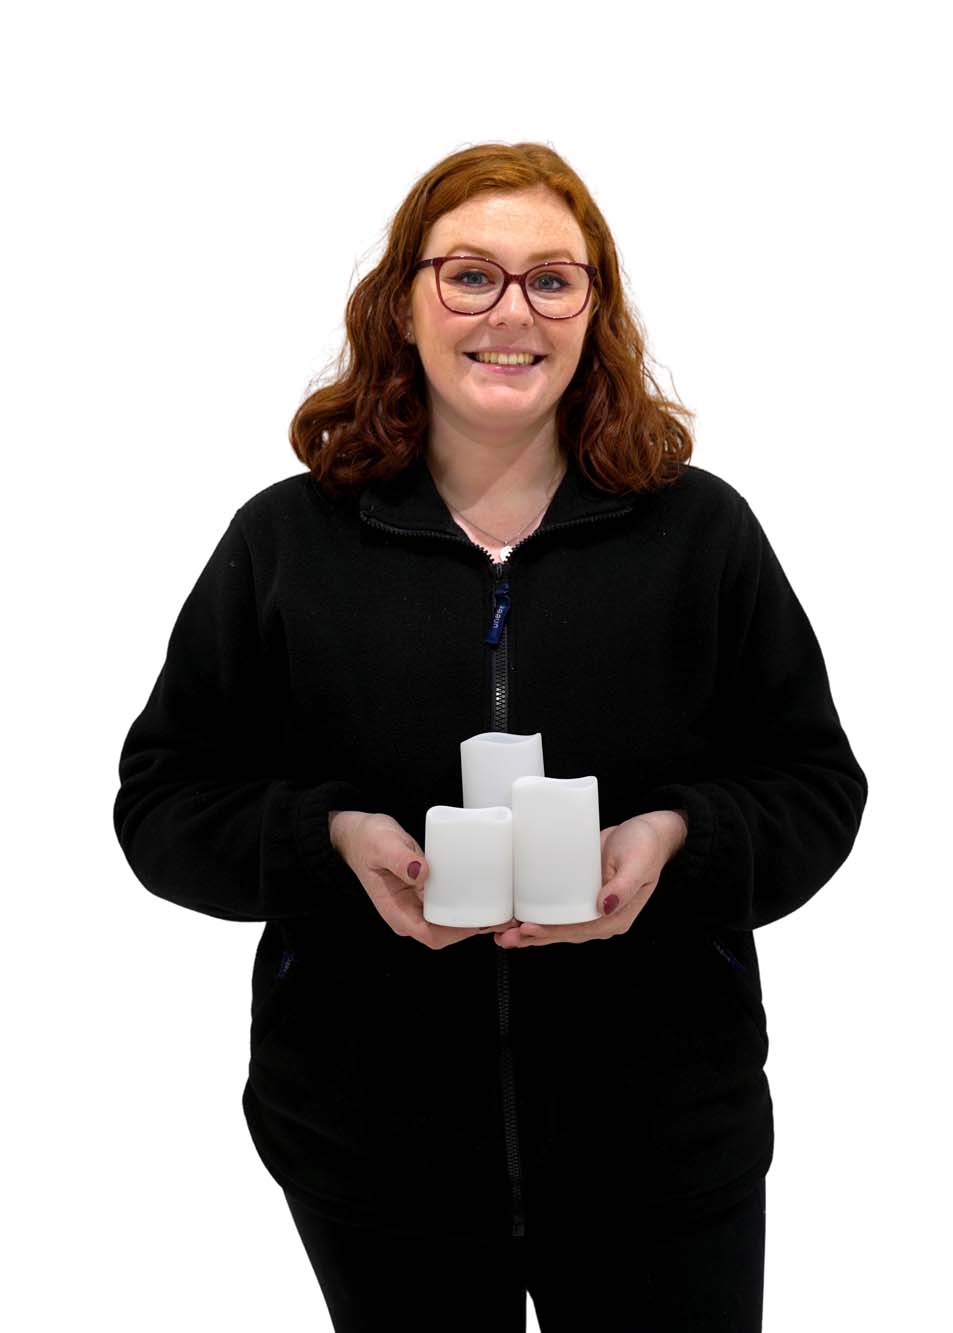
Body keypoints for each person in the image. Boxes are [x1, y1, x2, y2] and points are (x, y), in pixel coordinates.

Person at [113, 141, 868, 1332]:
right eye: (469, 275)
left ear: (594, 310)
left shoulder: (699, 533)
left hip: (664, 1151)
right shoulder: (287, 542)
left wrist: (678, 840)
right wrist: (329, 840)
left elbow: (814, 784)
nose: (511, 313)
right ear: (402, 305)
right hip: (372, 1156)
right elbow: (163, 801)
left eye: (551, 280)